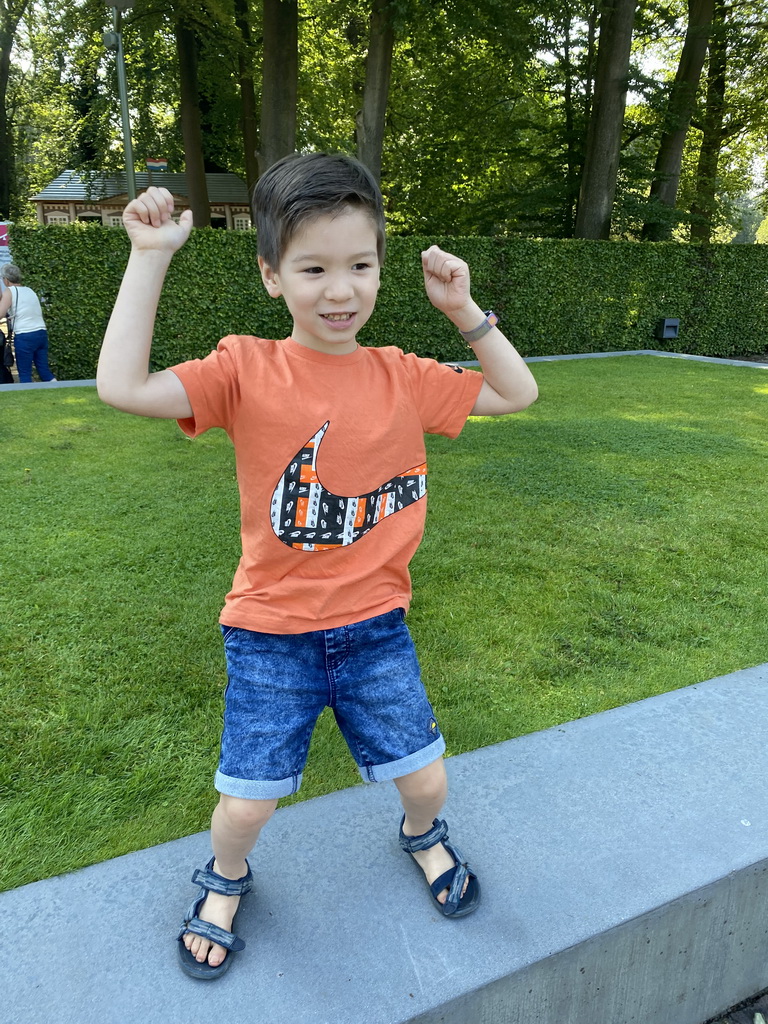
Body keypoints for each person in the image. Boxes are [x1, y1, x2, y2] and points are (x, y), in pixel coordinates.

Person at [97, 153, 538, 981]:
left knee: (428, 780)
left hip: (376, 632)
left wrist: (463, 309)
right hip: (271, 638)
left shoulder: (402, 374)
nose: (341, 290)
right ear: (272, 275)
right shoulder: (243, 368)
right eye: (314, 268)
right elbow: (121, 384)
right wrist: (149, 256)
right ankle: (226, 878)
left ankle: (422, 838)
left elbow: (516, 394)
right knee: (245, 804)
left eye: (360, 266)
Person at [0, 264, 56, 384]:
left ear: (6, 279)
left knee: (25, 373)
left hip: (25, 336)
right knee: (44, 371)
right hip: (41, 333)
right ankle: (59, 388)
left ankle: (27, 398)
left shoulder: (9, 291)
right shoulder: (29, 290)